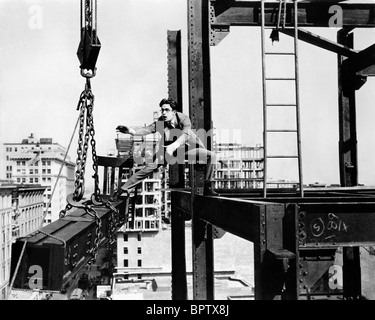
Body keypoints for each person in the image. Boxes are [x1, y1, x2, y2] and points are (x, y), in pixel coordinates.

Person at [115, 98, 219, 197]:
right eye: (162, 110)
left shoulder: (183, 119)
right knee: (149, 168)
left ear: (174, 112)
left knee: (212, 156)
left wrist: (173, 146)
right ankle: (123, 189)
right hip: (170, 150)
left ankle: (208, 187)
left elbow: (185, 135)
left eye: (167, 110)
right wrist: (131, 131)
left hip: (189, 148)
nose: (163, 113)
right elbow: (146, 130)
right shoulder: (161, 122)